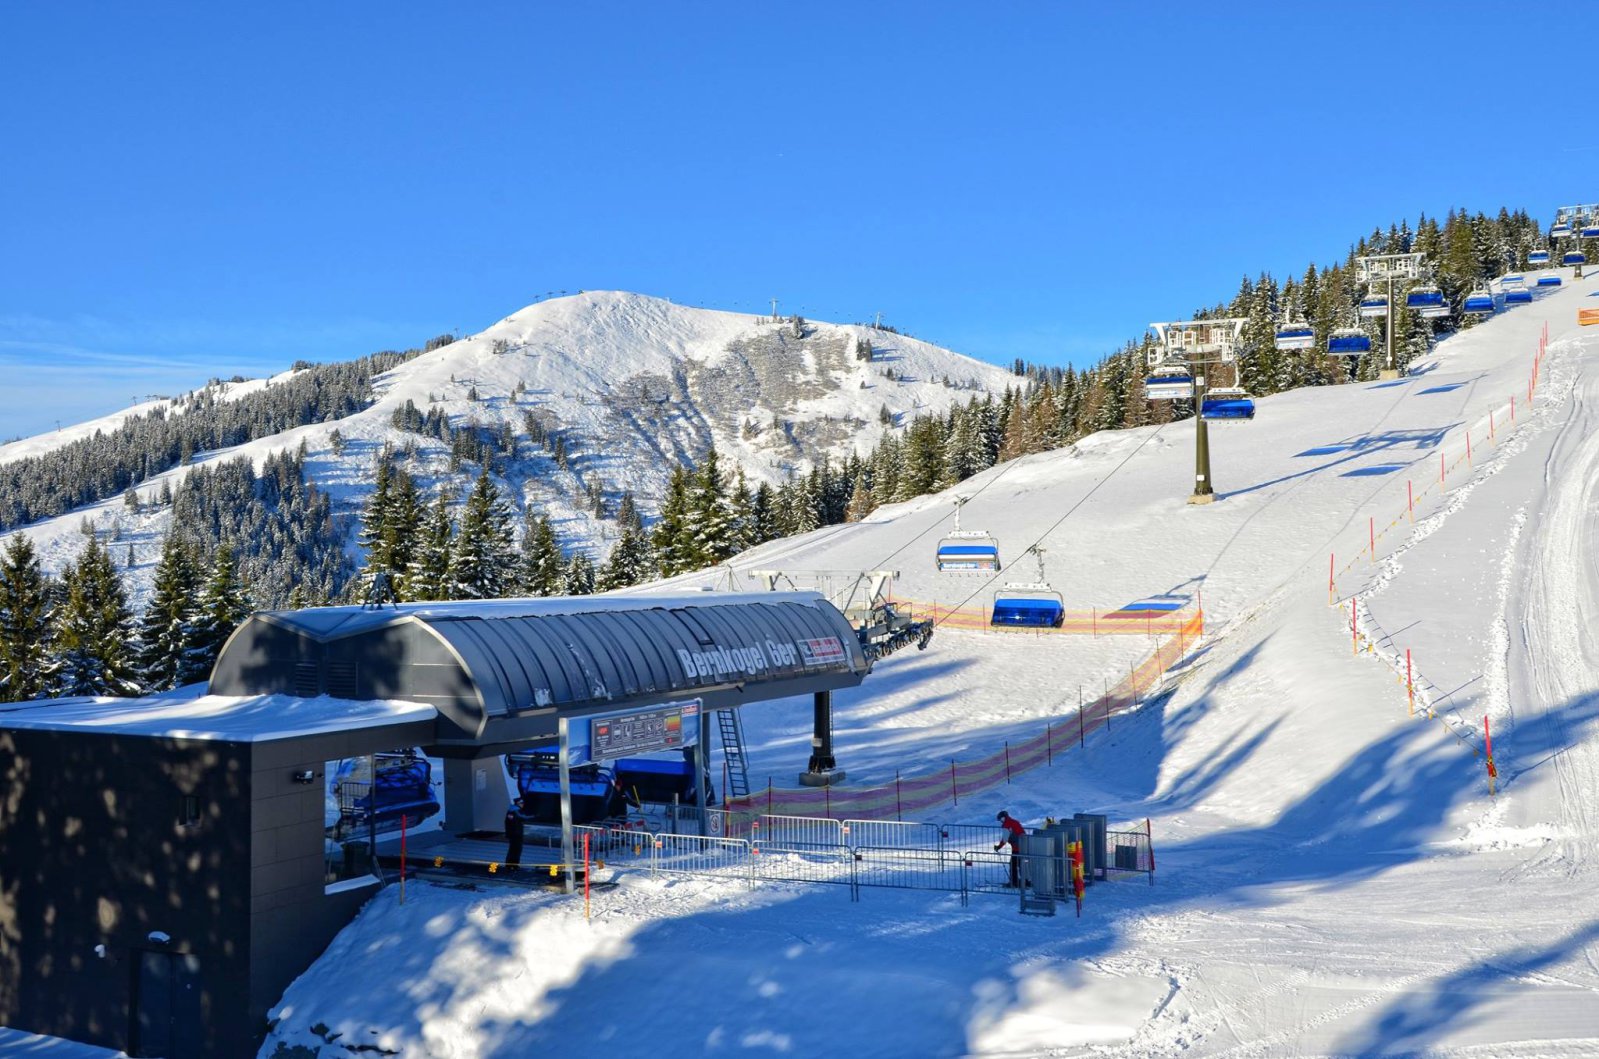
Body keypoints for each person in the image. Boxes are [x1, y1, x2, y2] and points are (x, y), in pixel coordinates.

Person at [994, 810, 1026, 887]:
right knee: (1022, 865)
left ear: (1003, 818)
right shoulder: (1014, 822)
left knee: (1013, 865)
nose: (1001, 822)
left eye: (1000, 820)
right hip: (1024, 845)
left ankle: (1014, 883)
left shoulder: (1007, 824)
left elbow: (1005, 839)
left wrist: (998, 847)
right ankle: (1025, 881)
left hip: (1017, 848)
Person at [504, 795, 528, 870]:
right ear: (517, 803)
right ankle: (511, 865)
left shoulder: (514, 811)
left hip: (516, 834)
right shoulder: (514, 811)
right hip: (515, 834)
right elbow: (522, 818)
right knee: (515, 850)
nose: (522, 804)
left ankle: (513, 865)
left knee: (515, 850)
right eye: (521, 803)